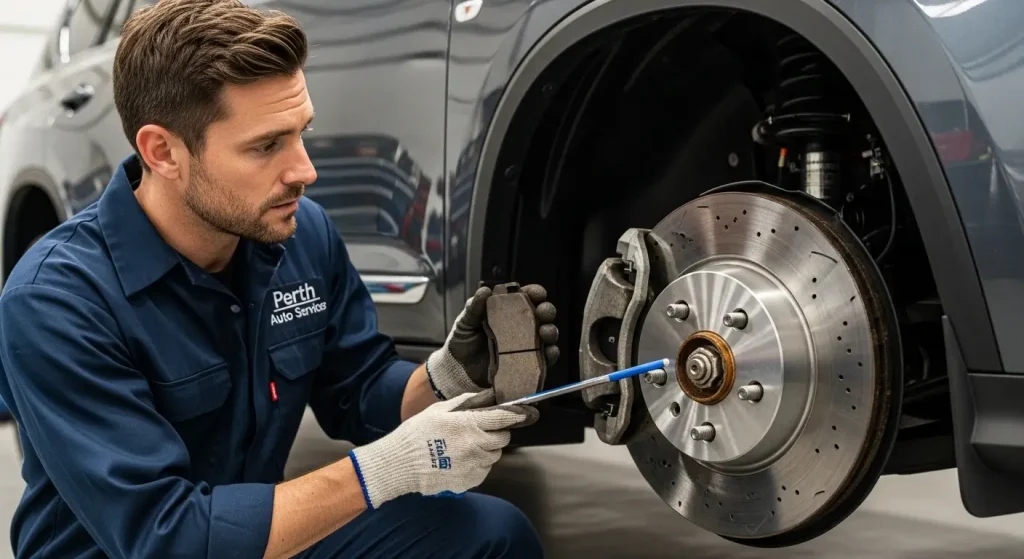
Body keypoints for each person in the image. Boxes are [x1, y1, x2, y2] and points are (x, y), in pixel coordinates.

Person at [0, 1, 561, 557]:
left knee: (489, 535)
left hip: (256, 538)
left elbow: (360, 389)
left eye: (300, 133)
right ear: (162, 151)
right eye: (266, 145)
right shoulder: (55, 301)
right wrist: (387, 469)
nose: (305, 170)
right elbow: (168, 538)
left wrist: (447, 377)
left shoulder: (298, 235)